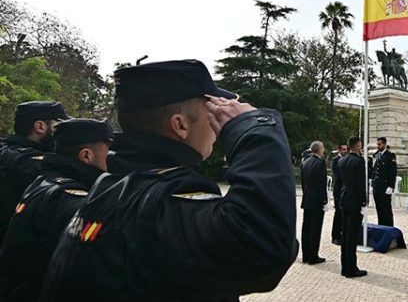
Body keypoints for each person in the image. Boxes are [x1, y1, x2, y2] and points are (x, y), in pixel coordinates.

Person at [39, 59, 298, 301]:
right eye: (211, 107)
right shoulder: (165, 202)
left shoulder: (109, 186)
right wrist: (254, 128)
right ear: (180, 125)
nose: (216, 120)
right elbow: (264, 247)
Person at [0, 118, 112, 301]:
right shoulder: (69, 198)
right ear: (86, 156)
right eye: (108, 151)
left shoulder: (43, 181)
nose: (111, 159)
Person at [0, 101, 70, 243]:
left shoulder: (7, 150)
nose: (62, 134)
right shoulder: (28, 163)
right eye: (58, 126)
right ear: (40, 127)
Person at [338, 136, 367, 278]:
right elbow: (361, 183)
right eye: (360, 145)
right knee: (352, 236)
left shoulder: (342, 160)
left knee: (345, 235)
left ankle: (344, 266)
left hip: (344, 199)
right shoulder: (359, 161)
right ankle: (351, 268)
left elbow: (339, 182)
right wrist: (363, 201)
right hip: (354, 200)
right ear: (356, 146)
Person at [300, 141, 327, 264]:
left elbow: (303, 183)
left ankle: (306, 255)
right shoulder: (320, 163)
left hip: (307, 199)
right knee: (315, 229)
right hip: (316, 200)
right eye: (322, 148)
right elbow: (322, 184)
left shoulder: (305, 162)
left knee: (306, 228)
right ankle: (313, 256)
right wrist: (324, 200)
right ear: (319, 150)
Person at [372, 137, 397, 227]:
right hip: (377, 186)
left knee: (386, 209)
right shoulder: (376, 155)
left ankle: (389, 227)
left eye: (380, 144)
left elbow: (392, 172)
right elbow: (375, 171)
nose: (378, 146)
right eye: (377, 144)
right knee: (379, 209)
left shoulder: (390, 156)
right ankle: (381, 226)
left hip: (385, 186)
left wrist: (391, 186)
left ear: (385, 144)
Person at [330, 144, 348, 245]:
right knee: (338, 214)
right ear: (339, 150)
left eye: (346, 149)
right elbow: (338, 175)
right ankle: (335, 236)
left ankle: (341, 233)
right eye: (344, 149)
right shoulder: (336, 160)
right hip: (338, 189)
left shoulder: (346, 159)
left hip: (345, 190)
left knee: (343, 214)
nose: (345, 151)